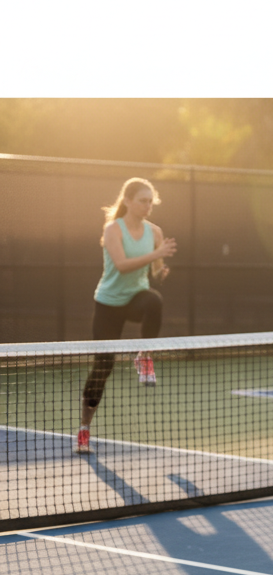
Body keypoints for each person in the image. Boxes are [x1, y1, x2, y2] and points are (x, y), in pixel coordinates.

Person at [75, 178, 176, 454]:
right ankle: (84, 429)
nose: (148, 206)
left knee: (154, 300)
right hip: (108, 303)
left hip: (136, 298)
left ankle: (144, 356)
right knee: (103, 366)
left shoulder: (154, 232)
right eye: (143, 200)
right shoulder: (112, 230)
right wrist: (156, 254)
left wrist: (160, 272)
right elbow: (121, 266)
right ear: (128, 201)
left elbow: (153, 272)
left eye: (150, 201)